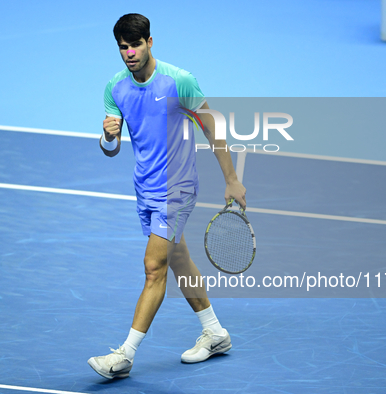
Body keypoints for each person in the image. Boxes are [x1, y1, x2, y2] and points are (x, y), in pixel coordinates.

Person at [87, 13, 246, 380]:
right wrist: (108, 136)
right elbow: (110, 149)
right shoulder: (115, 87)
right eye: (123, 47)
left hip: (177, 189)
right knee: (179, 262)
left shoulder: (179, 81)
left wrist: (232, 180)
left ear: (150, 42)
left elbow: (212, 130)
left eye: (135, 45)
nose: (129, 53)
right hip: (144, 188)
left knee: (153, 268)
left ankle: (124, 356)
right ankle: (215, 332)